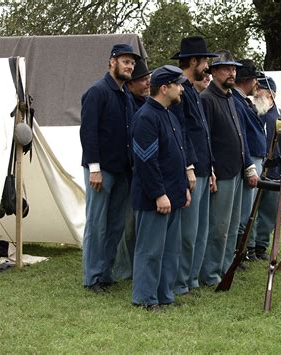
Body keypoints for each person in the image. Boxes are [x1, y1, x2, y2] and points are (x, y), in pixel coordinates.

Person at [80, 43, 140, 293]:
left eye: (132, 63)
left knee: (115, 225)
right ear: (112, 62)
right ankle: (92, 278)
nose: (130, 66)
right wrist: (94, 168)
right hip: (101, 171)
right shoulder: (96, 91)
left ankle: (105, 274)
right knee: (97, 225)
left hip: (122, 171)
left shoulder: (126, 95)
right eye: (126, 61)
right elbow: (88, 133)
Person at [131, 65, 191, 311]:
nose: (182, 89)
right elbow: (146, 162)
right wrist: (159, 194)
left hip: (172, 195)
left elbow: (176, 155)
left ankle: (164, 296)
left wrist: (182, 189)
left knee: (169, 251)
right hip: (154, 199)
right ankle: (146, 298)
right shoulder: (146, 117)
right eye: (178, 84)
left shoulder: (168, 113)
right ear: (164, 88)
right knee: (150, 251)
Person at [199, 50, 258, 286]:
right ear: (213, 72)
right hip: (221, 171)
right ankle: (211, 273)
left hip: (235, 170)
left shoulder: (230, 97)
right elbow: (206, 138)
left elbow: (239, 135)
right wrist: (211, 169)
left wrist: (247, 165)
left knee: (233, 226)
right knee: (218, 227)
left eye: (233, 69)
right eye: (226, 69)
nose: (232, 73)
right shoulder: (207, 99)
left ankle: (225, 268)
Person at [169, 36, 218, 296]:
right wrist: (188, 166)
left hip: (202, 168)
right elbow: (182, 133)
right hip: (190, 170)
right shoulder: (181, 91)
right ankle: (180, 281)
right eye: (205, 60)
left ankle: (192, 279)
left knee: (200, 230)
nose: (207, 65)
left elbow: (202, 133)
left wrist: (209, 168)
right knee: (187, 233)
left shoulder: (193, 91)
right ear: (193, 61)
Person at [113, 58, 153, 280]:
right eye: (143, 80)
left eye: (148, 79)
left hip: (141, 172)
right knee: (127, 226)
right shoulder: (126, 103)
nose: (148, 83)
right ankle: (122, 270)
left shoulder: (146, 103)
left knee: (137, 226)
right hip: (127, 172)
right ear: (130, 84)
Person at [233, 59, 266, 261]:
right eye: (255, 80)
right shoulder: (238, 102)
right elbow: (242, 135)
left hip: (254, 158)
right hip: (249, 159)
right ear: (249, 80)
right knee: (243, 212)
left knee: (247, 210)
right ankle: (240, 252)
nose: (257, 85)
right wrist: (249, 166)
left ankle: (242, 251)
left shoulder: (242, 100)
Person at [250, 76, 281, 260]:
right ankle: (250, 246)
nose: (256, 92)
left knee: (269, 211)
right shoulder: (253, 113)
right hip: (256, 168)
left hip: (275, 170)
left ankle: (261, 245)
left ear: (270, 94)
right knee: (251, 210)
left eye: (260, 89)